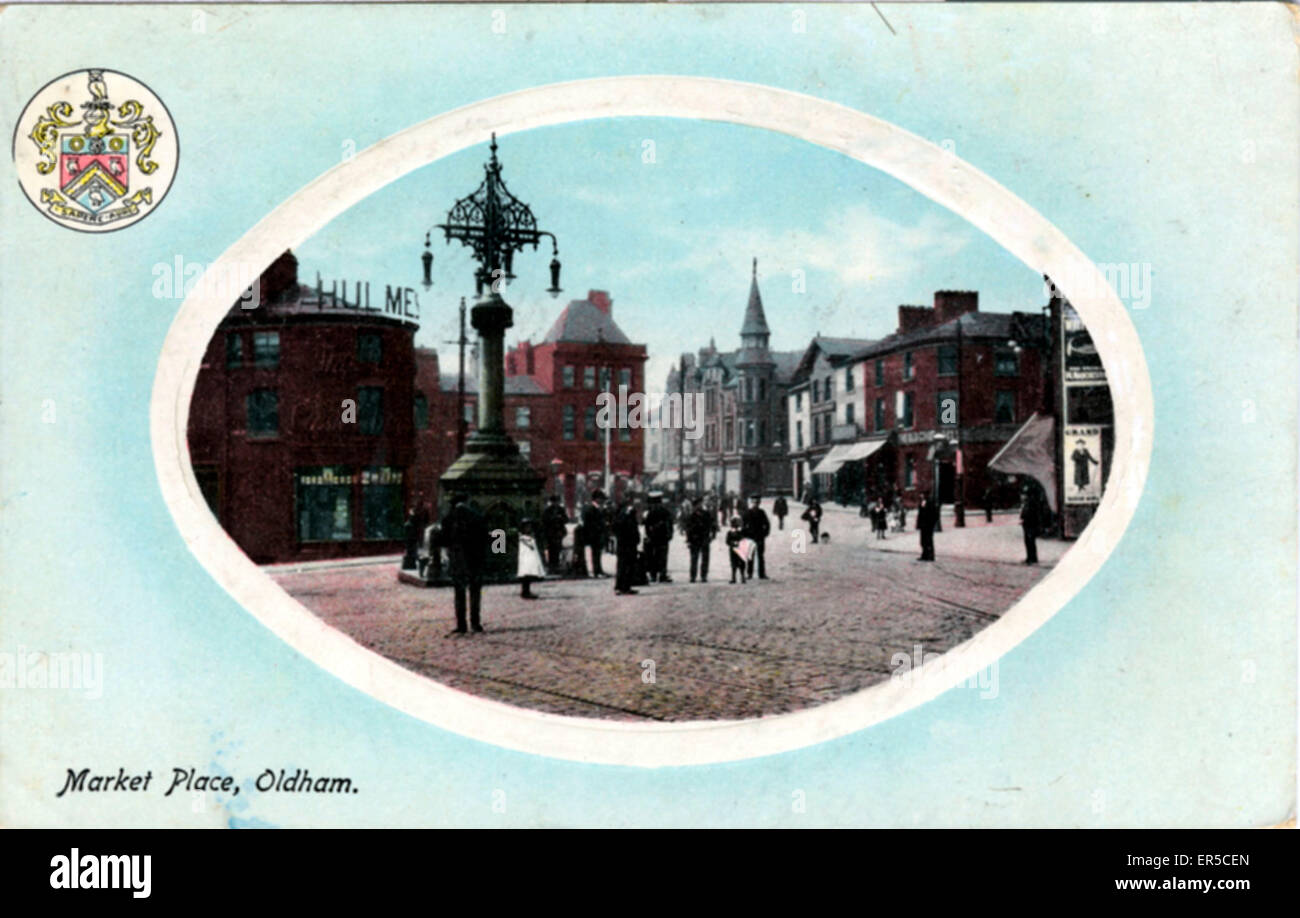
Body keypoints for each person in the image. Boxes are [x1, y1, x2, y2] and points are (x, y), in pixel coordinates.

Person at [440, 493, 491, 634]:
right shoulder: (477, 516)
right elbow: (488, 537)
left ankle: (461, 625)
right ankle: (476, 623)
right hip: (475, 559)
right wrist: (497, 552)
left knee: (459, 593)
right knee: (475, 592)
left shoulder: (448, 518)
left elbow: (443, 541)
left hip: (457, 560)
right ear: (466, 501)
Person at [643, 492, 674, 583]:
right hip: (661, 537)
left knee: (656, 557)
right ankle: (661, 574)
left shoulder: (651, 512)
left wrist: (649, 535)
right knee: (660, 557)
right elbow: (669, 524)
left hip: (657, 537)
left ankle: (655, 575)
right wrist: (670, 534)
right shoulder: (664, 512)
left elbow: (647, 526)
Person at [613, 499, 641, 595]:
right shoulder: (624, 516)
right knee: (625, 566)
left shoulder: (625, 515)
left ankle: (624, 586)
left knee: (626, 566)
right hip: (626, 545)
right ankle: (622, 587)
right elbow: (628, 529)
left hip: (626, 545)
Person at [685, 496, 716, 583]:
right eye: (696, 505)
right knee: (694, 559)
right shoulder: (691, 516)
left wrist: (713, 535)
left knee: (705, 558)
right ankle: (693, 576)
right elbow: (688, 529)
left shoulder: (706, 514)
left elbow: (712, 525)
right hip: (695, 539)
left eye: (699, 504)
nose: (698, 506)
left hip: (704, 538)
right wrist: (688, 540)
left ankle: (703, 575)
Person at [516, 518, 546, 598]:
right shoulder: (522, 537)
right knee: (525, 576)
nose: (528, 528)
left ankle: (527, 591)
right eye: (526, 527)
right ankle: (525, 592)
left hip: (530, 559)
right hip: (526, 559)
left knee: (528, 577)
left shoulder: (530, 536)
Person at [742, 494, 771, 580]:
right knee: (750, 556)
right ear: (751, 502)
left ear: (759, 503)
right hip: (750, 537)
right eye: (754, 502)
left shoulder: (762, 512)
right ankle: (749, 573)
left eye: (757, 502)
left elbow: (767, 524)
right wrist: (745, 535)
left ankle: (761, 574)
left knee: (761, 556)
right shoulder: (747, 513)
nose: (756, 504)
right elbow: (743, 525)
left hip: (760, 537)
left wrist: (765, 534)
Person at [581, 490, 608, 577]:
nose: (602, 501)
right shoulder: (590, 509)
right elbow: (589, 523)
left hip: (598, 534)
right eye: (601, 499)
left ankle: (599, 570)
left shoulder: (597, 508)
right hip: (593, 535)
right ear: (597, 499)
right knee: (595, 554)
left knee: (598, 553)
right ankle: (596, 571)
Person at [541, 495, 568, 574]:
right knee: (551, 550)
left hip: (559, 533)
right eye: (554, 502)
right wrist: (553, 518)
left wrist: (560, 518)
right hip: (550, 533)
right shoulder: (547, 510)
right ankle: (551, 566)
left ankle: (556, 566)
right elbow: (545, 520)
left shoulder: (561, 510)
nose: (556, 503)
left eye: (557, 501)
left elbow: (566, 519)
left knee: (558, 549)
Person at [1019, 483, 1045, 564]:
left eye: (1023, 495)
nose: (1021, 496)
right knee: (1029, 541)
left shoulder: (1030, 503)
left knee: (1030, 541)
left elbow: (1030, 514)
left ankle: (1032, 558)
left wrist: (1024, 519)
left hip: (1030, 525)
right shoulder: (1027, 503)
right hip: (1027, 524)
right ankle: (1030, 557)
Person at [725, 516, 748, 584]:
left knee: (740, 564)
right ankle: (735, 577)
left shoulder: (741, 531)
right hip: (734, 549)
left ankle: (740, 577)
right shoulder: (731, 532)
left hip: (739, 549)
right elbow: (727, 541)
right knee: (735, 564)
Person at [916, 494, 939, 562]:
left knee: (929, 541)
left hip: (928, 526)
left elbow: (935, 515)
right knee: (923, 541)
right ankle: (924, 555)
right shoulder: (922, 503)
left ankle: (930, 556)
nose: (921, 496)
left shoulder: (930, 503)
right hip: (923, 526)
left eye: (922, 495)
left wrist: (931, 524)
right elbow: (920, 514)